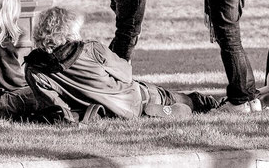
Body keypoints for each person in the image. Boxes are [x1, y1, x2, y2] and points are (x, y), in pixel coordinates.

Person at [24, 7, 219, 122]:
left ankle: (163, 108)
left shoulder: (34, 68)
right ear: (69, 29)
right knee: (166, 95)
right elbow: (126, 73)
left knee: (156, 95)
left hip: (102, 112)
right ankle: (202, 102)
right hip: (133, 98)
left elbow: (54, 106)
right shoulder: (91, 49)